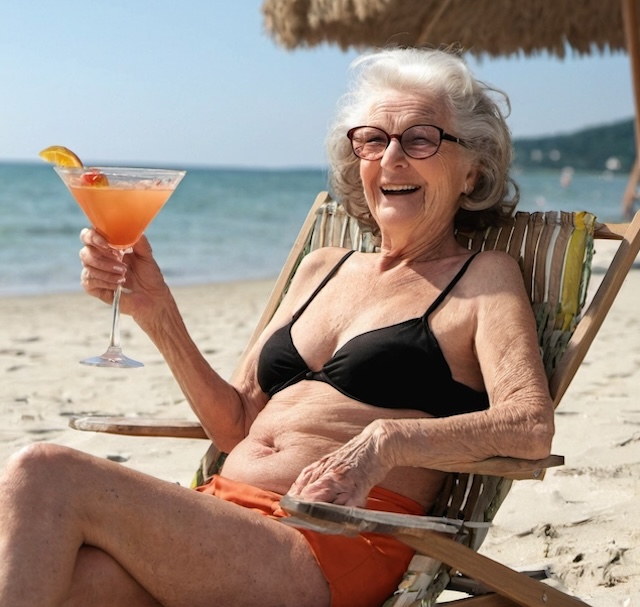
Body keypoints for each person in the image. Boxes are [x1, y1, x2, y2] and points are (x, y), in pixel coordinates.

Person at [0, 46, 554, 607]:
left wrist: (384, 443)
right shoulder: (323, 267)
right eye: (373, 139)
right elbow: (236, 424)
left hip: (328, 542)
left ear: (472, 170)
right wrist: (156, 311)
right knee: (68, 581)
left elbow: (530, 425)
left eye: (420, 138)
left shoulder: (483, 278)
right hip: (225, 519)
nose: (391, 159)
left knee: (43, 470)